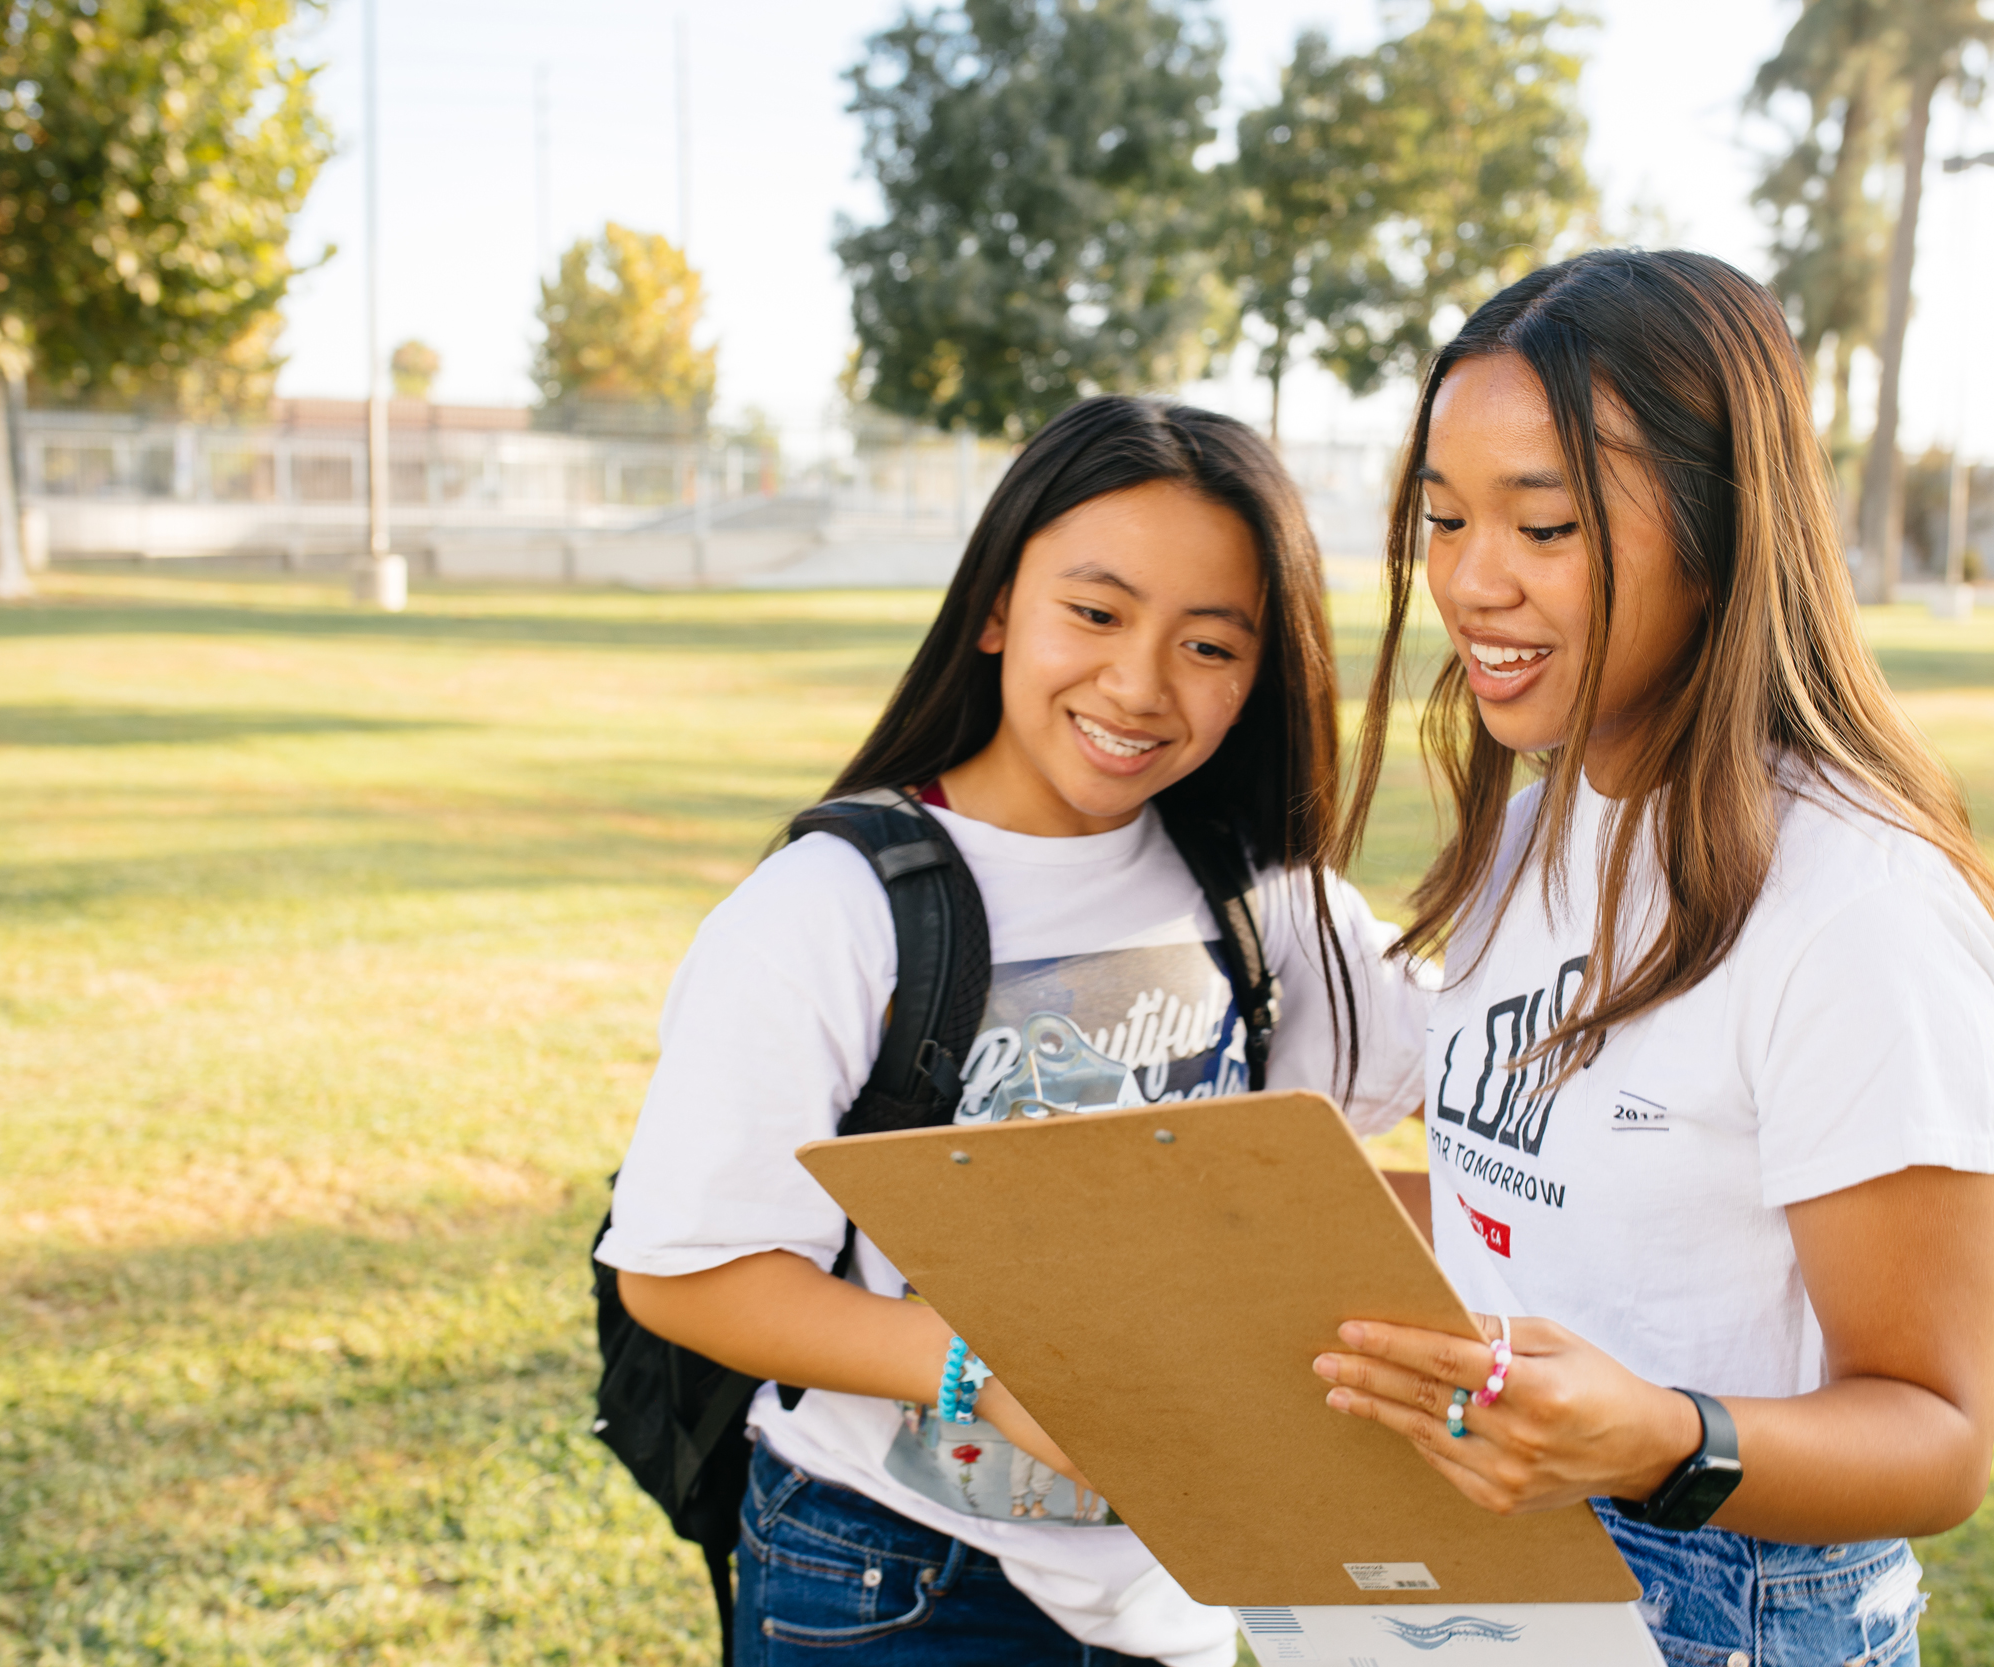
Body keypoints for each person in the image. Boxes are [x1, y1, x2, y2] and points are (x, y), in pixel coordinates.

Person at [596, 396, 1431, 1667]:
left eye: (1210, 645)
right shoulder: (832, 906)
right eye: (1093, 614)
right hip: (887, 1580)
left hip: (1186, 1595)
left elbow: (1484, 1126)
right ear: (995, 605)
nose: (1139, 683)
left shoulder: (1273, 904)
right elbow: (679, 1267)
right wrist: (983, 1371)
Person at [1311, 250, 1994, 1667]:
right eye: (1445, 518)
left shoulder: (1860, 906)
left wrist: (1659, 1435)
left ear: (1717, 528)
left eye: (1548, 524)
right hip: (1485, 1549)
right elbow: (1550, 1201)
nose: (1471, 581)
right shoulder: (1537, 819)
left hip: (1721, 1602)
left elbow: (1937, 1441)